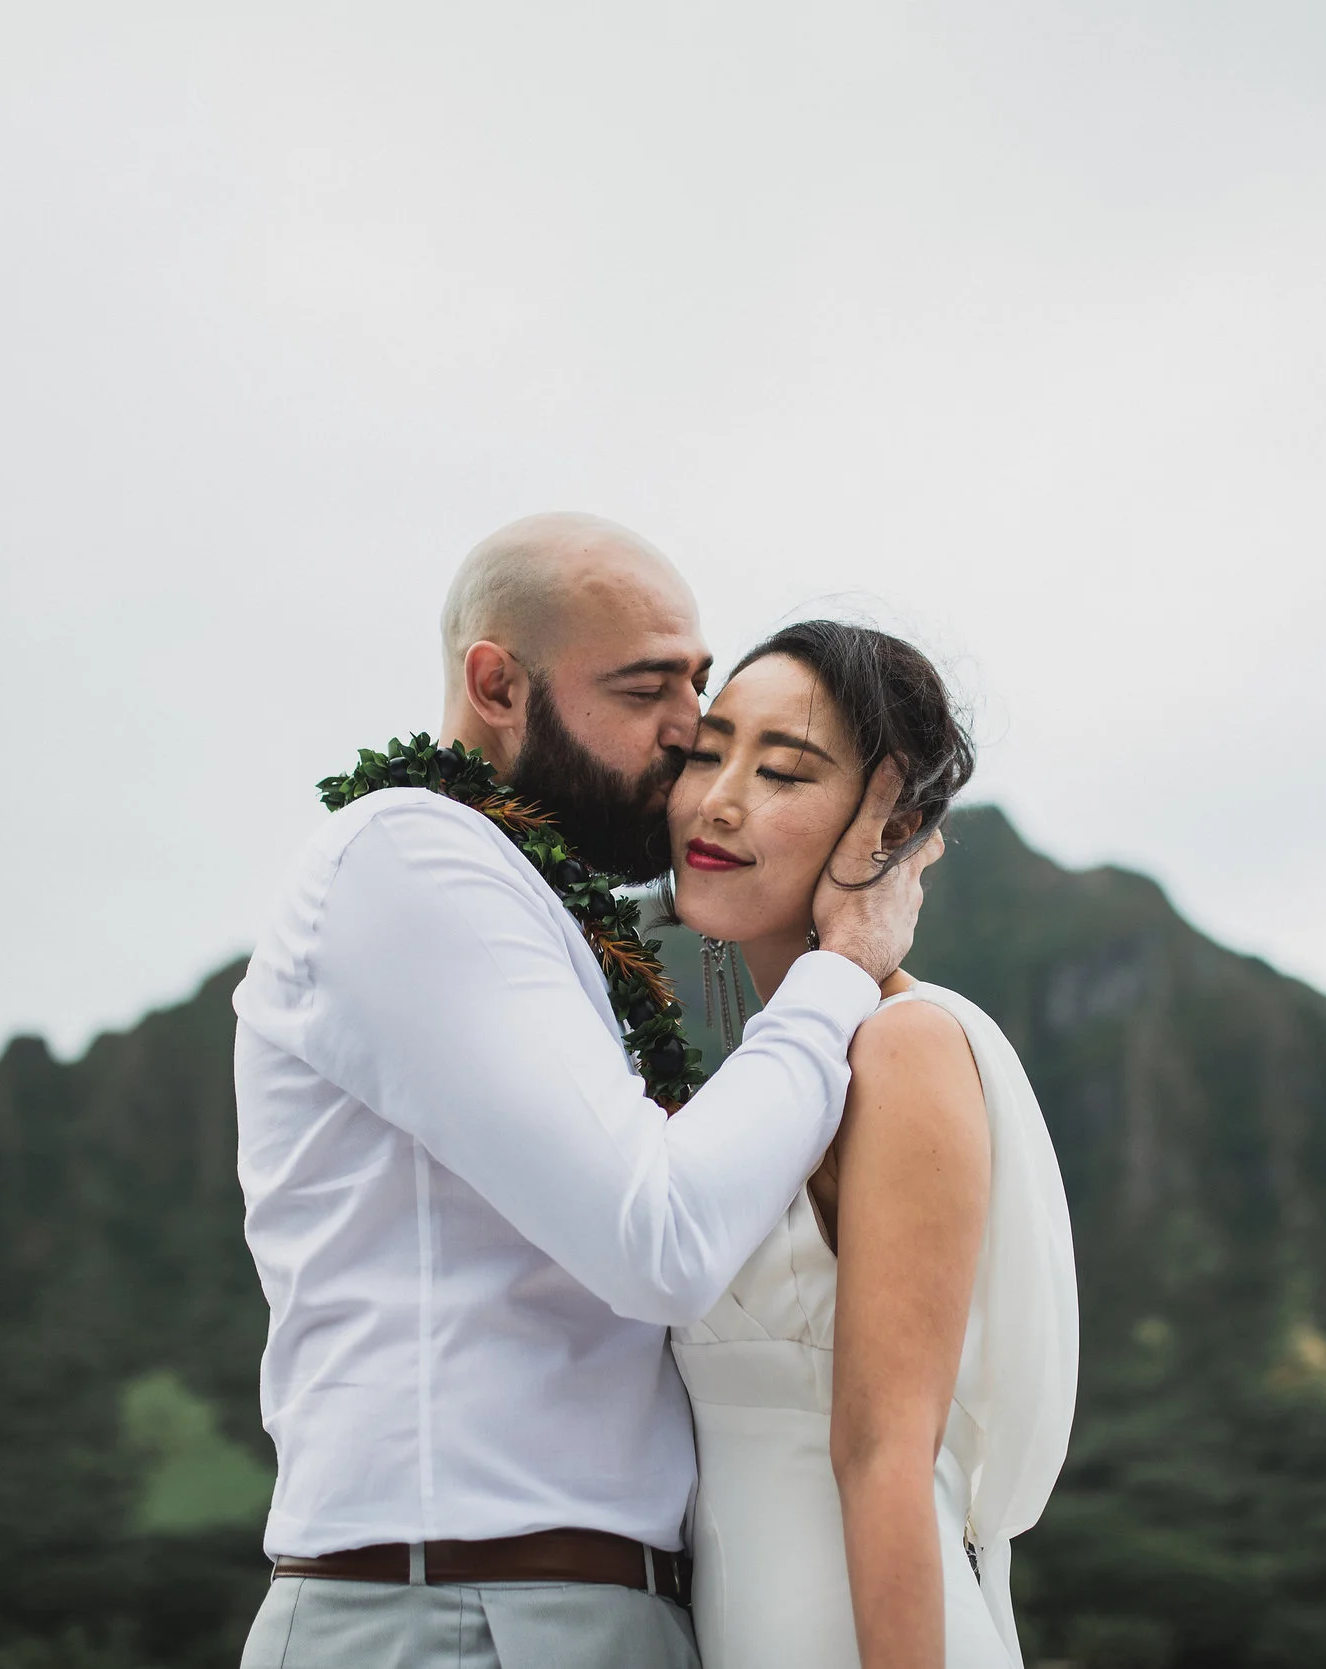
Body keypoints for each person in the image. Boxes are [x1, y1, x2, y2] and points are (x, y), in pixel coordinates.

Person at [231, 516, 938, 1669]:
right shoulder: (409, 854)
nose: (690, 727)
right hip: (457, 1613)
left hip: (573, 1606)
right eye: (645, 688)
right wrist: (840, 972)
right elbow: (657, 1240)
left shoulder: (541, 907)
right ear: (497, 686)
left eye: (696, 680)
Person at [668, 621, 1078, 1669]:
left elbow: (883, 1452)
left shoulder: (903, 1047)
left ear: (888, 825)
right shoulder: (760, 1086)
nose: (719, 800)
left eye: (782, 771)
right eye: (707, 754)